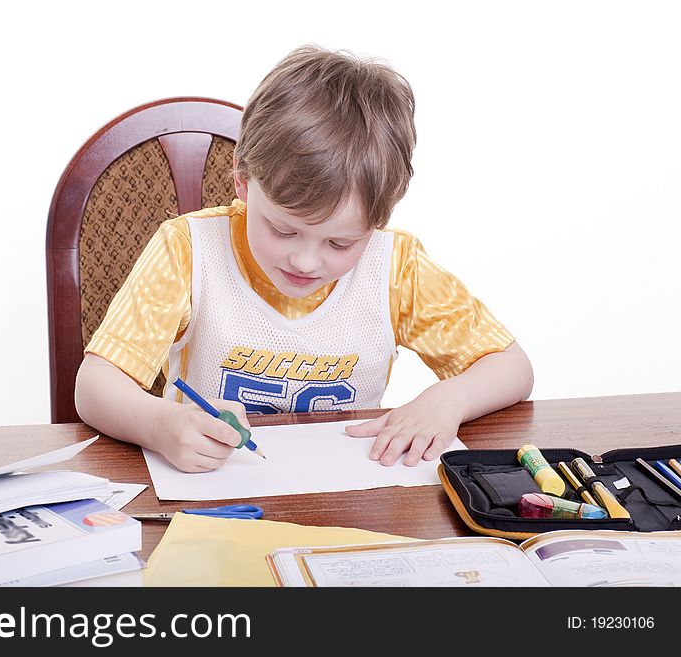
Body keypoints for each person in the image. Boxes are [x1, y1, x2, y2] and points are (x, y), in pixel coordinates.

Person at [75, 45, 534, 473]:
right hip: (218, 497)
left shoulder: (397, 266)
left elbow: (513, 368)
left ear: (377, 222)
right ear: (243, 182)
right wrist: (158, 424)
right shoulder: (188, 249)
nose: (306, 260)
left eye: (340, 244)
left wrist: (448, 400)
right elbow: (94, 386)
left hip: (346, 497)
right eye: (283, 229)